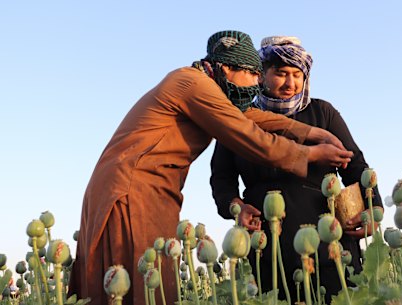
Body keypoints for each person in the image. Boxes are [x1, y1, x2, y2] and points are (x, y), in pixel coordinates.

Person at [69, 30, 354, 305]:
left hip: (151, 190)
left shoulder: (207, 86)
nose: (256, 83)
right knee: (141, 286)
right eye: (253, 74)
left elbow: (250, 116)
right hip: (132, 190)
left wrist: (310, 132)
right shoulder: (191, 83)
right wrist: (313, 153)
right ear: (228, 68)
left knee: (154, 283)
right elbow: (249, 135)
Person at [210, 36, 383, 303]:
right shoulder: (239, 118)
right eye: (280, 73)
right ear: (261, 75)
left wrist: (373, 208)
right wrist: (234, 205)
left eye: (297, 75)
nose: (290, 83)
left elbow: (355, 165)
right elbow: (221, 177)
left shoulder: (322, 114)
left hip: (329, 242)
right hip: (267, 245)